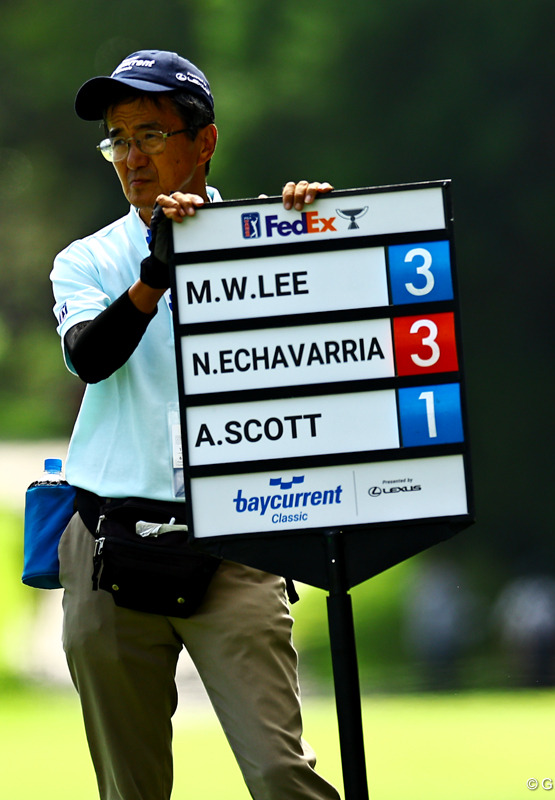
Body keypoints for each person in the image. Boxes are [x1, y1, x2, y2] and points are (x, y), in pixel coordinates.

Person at [50, 51, 340, 800]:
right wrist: (155, 274)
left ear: (204, 141)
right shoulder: (88, 259)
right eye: (118, 140)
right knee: (130, 789)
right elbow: (90, 358)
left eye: (149, 134)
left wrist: (323, 237)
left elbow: (331, 348)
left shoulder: (266, 235)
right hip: (110, 538)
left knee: (280, 773)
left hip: (240, 539)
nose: (131, 158)